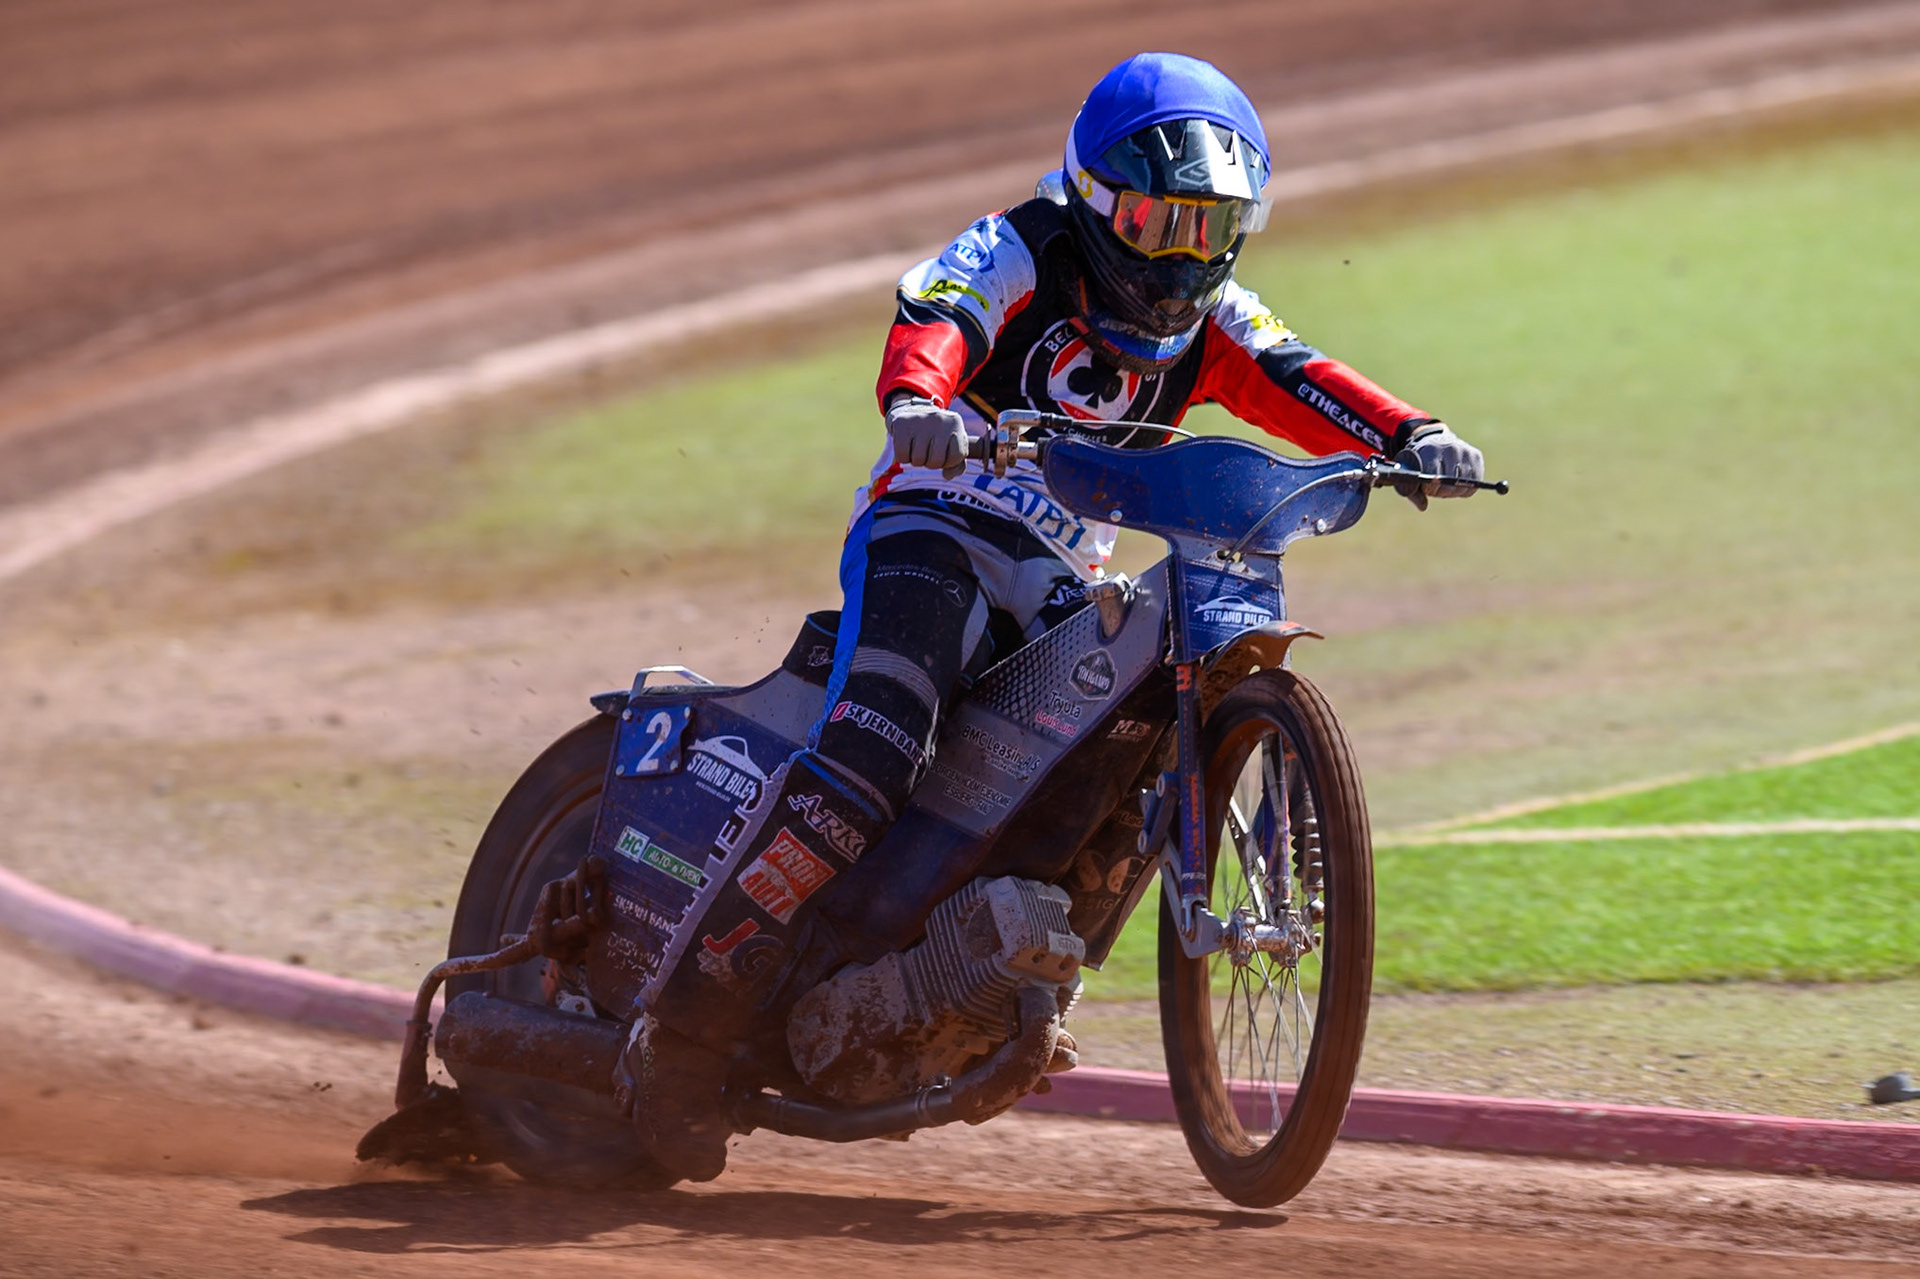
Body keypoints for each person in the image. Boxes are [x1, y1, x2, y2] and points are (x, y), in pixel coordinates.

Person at [632, 50, 1486, 1177]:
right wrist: (917, 403)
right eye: (1157, 223)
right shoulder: (1017, 247)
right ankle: (680, 1035)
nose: (1181, 257)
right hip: (932, 529)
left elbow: (1297, 372)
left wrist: (1408, 434)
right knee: (876, 748)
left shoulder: (1211, 316)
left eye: (1207, 228)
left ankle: (961, 957)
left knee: (1107, 760)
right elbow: (935, 313)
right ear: (1093, 196)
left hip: (1052, 575)